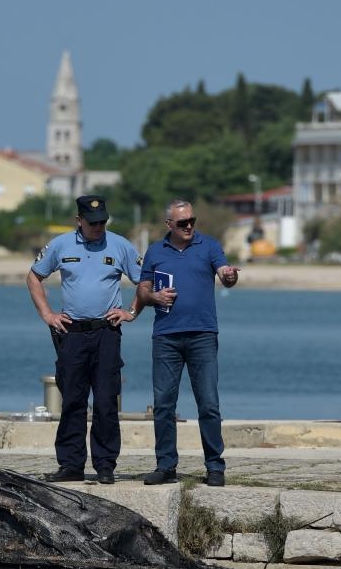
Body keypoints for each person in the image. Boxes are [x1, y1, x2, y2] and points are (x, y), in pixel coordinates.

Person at [26, 195, 141, 483]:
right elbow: (33, 277)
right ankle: (71, 465)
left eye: (102, 221)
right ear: (79, 220)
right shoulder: (60, 245)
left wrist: (131, 312)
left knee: (105, 401)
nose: (98, 227)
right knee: (73, 402)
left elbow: (146, 281)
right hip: (72, 334)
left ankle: (105, 466)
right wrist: (48, 315)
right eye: (92, 223)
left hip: (106, 333)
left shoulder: (120, 245)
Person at [135, 200, 238, 487]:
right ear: (169, 225)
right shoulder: (156, 251)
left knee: (208, 404)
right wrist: (154, 297)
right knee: (164, 405)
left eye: (192, 220)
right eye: (182, 223)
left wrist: (229, 276)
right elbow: (143, 288)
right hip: (166, 337)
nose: (189, 226)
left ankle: (215, 467)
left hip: (203, 335)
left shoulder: (209, 245)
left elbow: (225, 274)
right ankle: (165, 466)